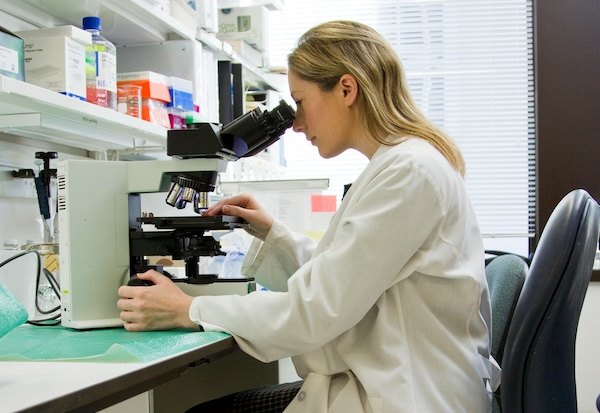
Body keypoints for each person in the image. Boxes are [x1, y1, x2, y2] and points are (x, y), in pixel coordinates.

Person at [117, 20, 500, 413]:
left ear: (346, 89)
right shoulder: (403, 164)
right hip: (397, 380)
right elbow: (349, 281)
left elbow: (314, 311)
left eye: (300, 103)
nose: (297, 124)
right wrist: (274, 234)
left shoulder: (407, 173)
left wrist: (189, 310)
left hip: (409, 397)